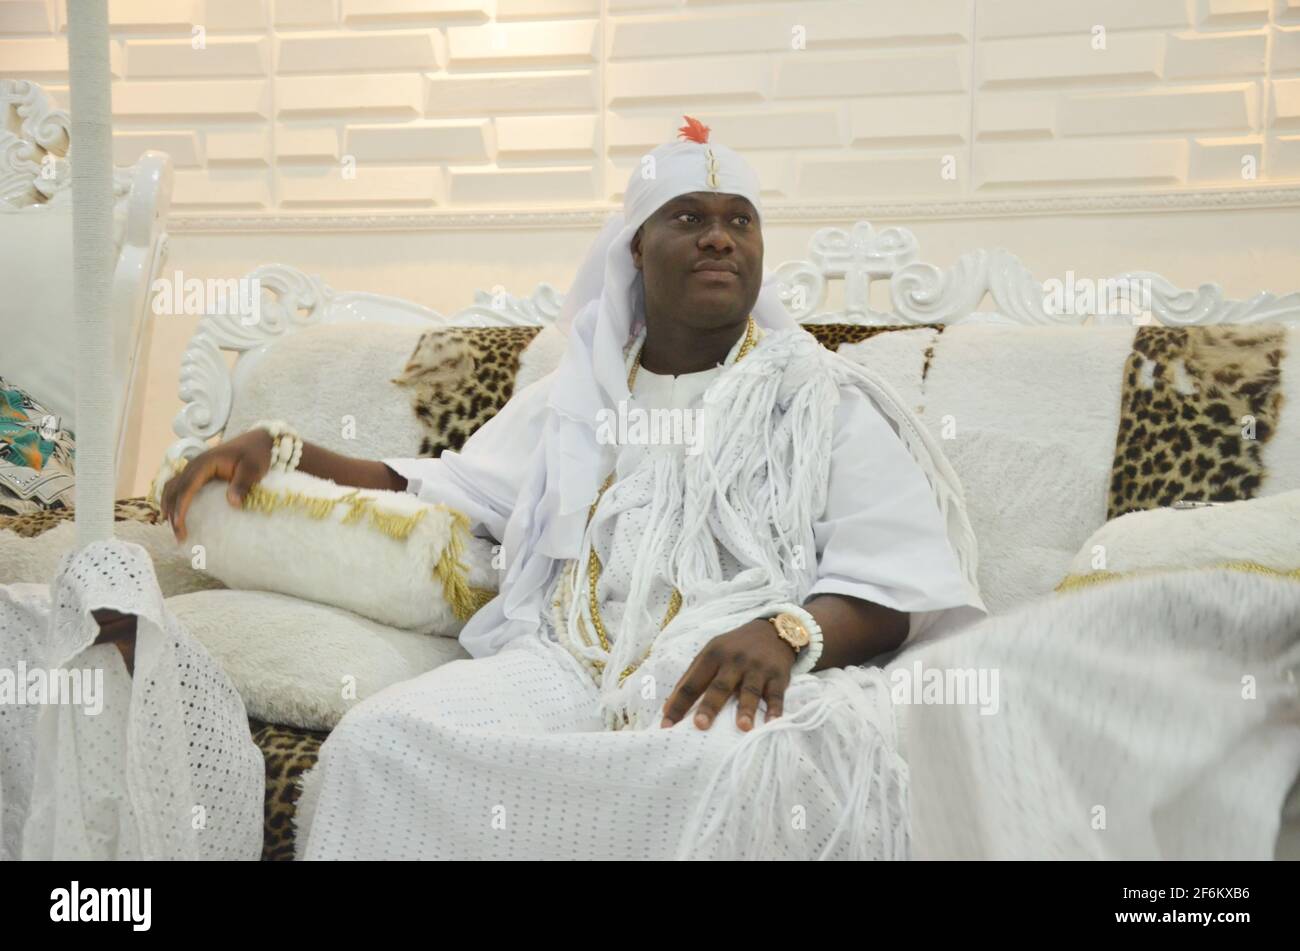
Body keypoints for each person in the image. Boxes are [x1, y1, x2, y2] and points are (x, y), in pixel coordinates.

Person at [161, 115, 987, 860]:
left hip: (727, 670)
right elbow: (446, 489)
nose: (719, 238)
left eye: (740, 220)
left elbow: (898, 581)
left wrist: (784, 630)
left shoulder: (820, 395)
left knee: (730, 770)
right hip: (567, 661)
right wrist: (284, 445)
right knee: (380, 743)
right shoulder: (578, 393)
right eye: (690, 217)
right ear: (635, 246)